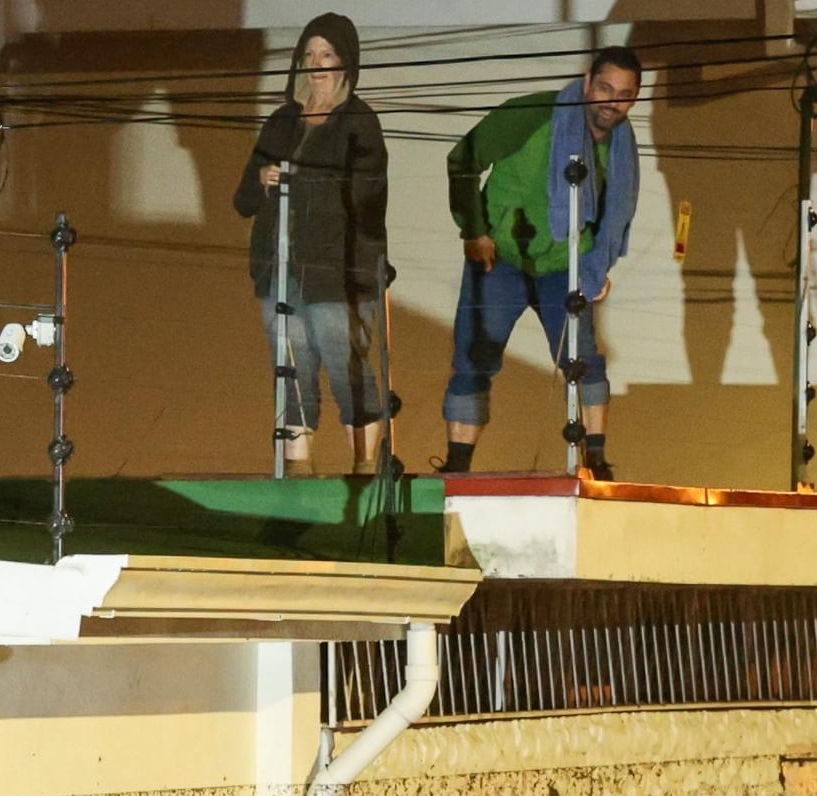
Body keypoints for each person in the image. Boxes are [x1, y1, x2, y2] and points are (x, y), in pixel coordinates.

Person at [440, 46, 643, 480]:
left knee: (583, 357)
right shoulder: (531, 113)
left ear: (634, 99)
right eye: (605, 88)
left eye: (623, 95)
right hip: (501, 256)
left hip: (565, 266)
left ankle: (596, 462)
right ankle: (456, 468)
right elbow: (462, 159)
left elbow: (614, 213)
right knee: (473, 356)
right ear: (588, 80)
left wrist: (598, 268)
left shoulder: (623, 148)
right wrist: (473, 229)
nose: (611, 102)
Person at [232, 15, 390, 474]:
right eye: (308, 55)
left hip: (339, 275)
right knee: (292, 374)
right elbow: (242, 199)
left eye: (326, 55)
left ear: (345, 63)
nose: (316, 64)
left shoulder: (360, 121)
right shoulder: (281, 121)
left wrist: (305, 179)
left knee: (348, 371)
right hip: (279, 273)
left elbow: (367, 194)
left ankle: (364, 471)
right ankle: (298, 474)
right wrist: (263, 179)